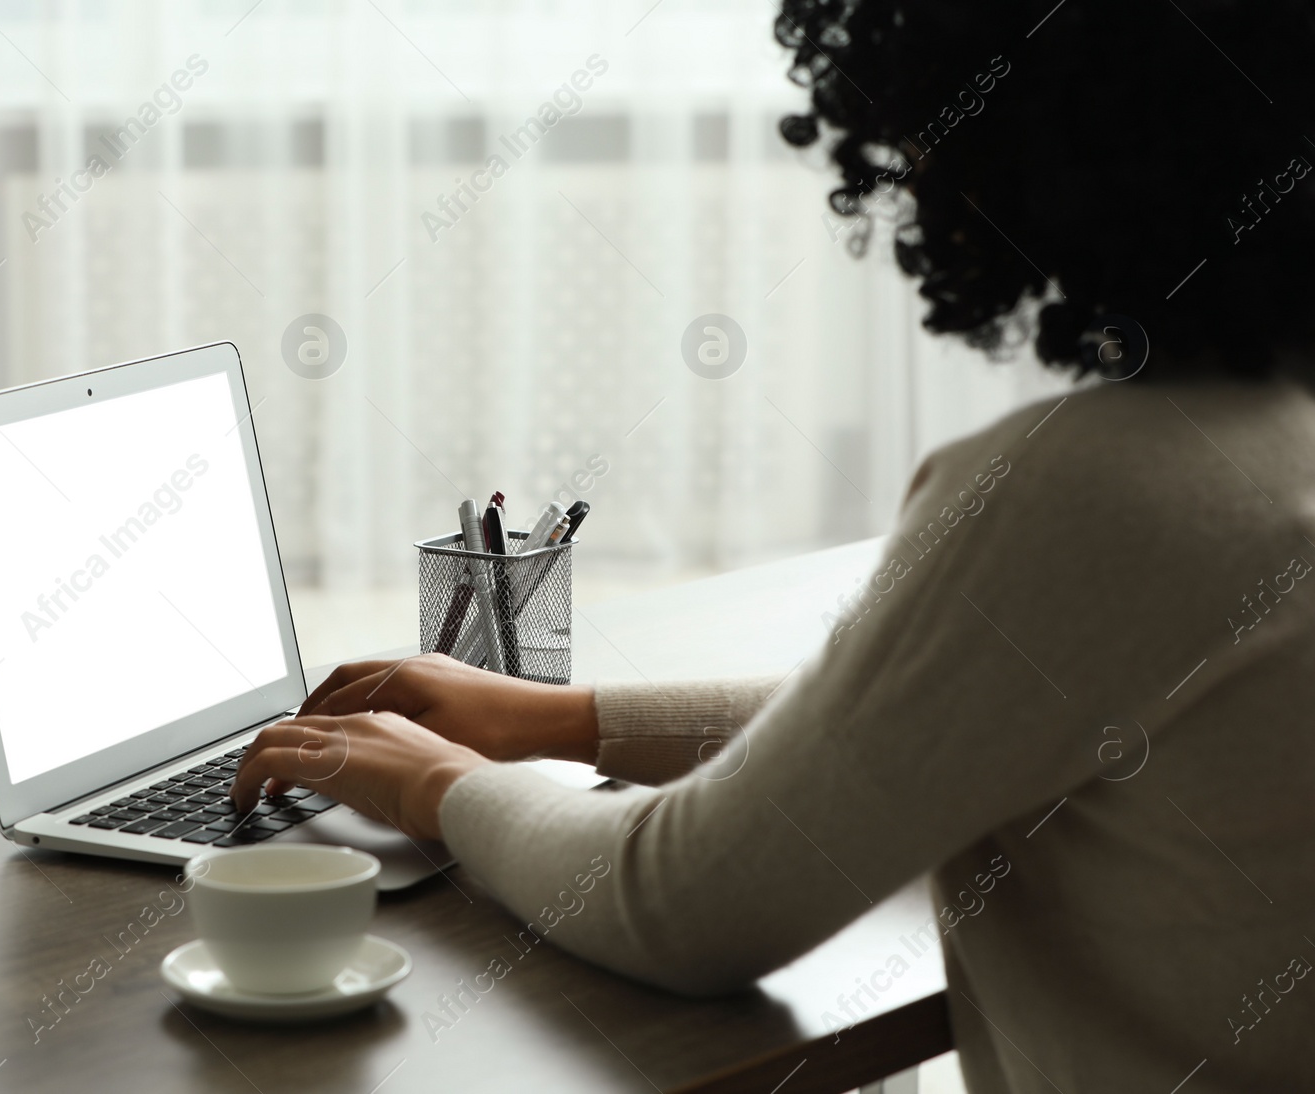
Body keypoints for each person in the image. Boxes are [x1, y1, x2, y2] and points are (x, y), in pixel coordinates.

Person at [232, 4, 1315, 1090]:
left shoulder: (1099, 492)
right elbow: (936, 725)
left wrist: (438, 784)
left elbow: (681, 906)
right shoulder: (1267, 448)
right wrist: (559, 719)